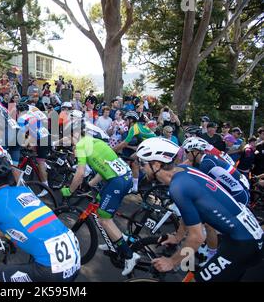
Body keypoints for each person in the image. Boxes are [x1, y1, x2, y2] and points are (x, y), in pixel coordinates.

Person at [136, 137, 263, 281]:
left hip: (242, 243)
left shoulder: (178, 187)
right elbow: (188, 213)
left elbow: (197, 237)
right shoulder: (184, 170)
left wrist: (172, 262)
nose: (140, 167)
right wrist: (178, 237)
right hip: (245, 236)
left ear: (156, 164)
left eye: (142, 163)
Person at [60, 118, 139, 276]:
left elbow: (80, 173)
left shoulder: (81, 146)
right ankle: (117, 240)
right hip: (123, 176)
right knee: (98, 207)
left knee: (104, 219)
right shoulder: (94, 141)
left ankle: (130, 255)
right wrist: (90, 184)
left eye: (67, 136)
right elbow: (104, 169)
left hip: (117, 182)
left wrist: (70, 190)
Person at [114, 111, 156, 193]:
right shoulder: (139, 126)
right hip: (150, 145)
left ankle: (131, 184)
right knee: (134, 162)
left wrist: (112, 150)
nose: (125, 122)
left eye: (126, 120)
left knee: (131, 160)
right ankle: (135, 187)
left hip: (151, 146)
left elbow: (124, 143)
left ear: (131, 120)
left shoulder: (134, 128)